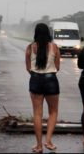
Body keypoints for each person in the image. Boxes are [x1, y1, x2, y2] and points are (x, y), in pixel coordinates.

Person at [25, 23, 61, 153]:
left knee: (37, 114)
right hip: (51, 80)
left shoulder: (29, 47)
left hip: (35, 80)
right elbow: (57, 68)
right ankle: (49, 141)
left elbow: (28, 68)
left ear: (36, 33)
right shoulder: (55, 47)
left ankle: (39, 145)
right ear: (48, 33)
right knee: (53, 112)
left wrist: (36, 75)